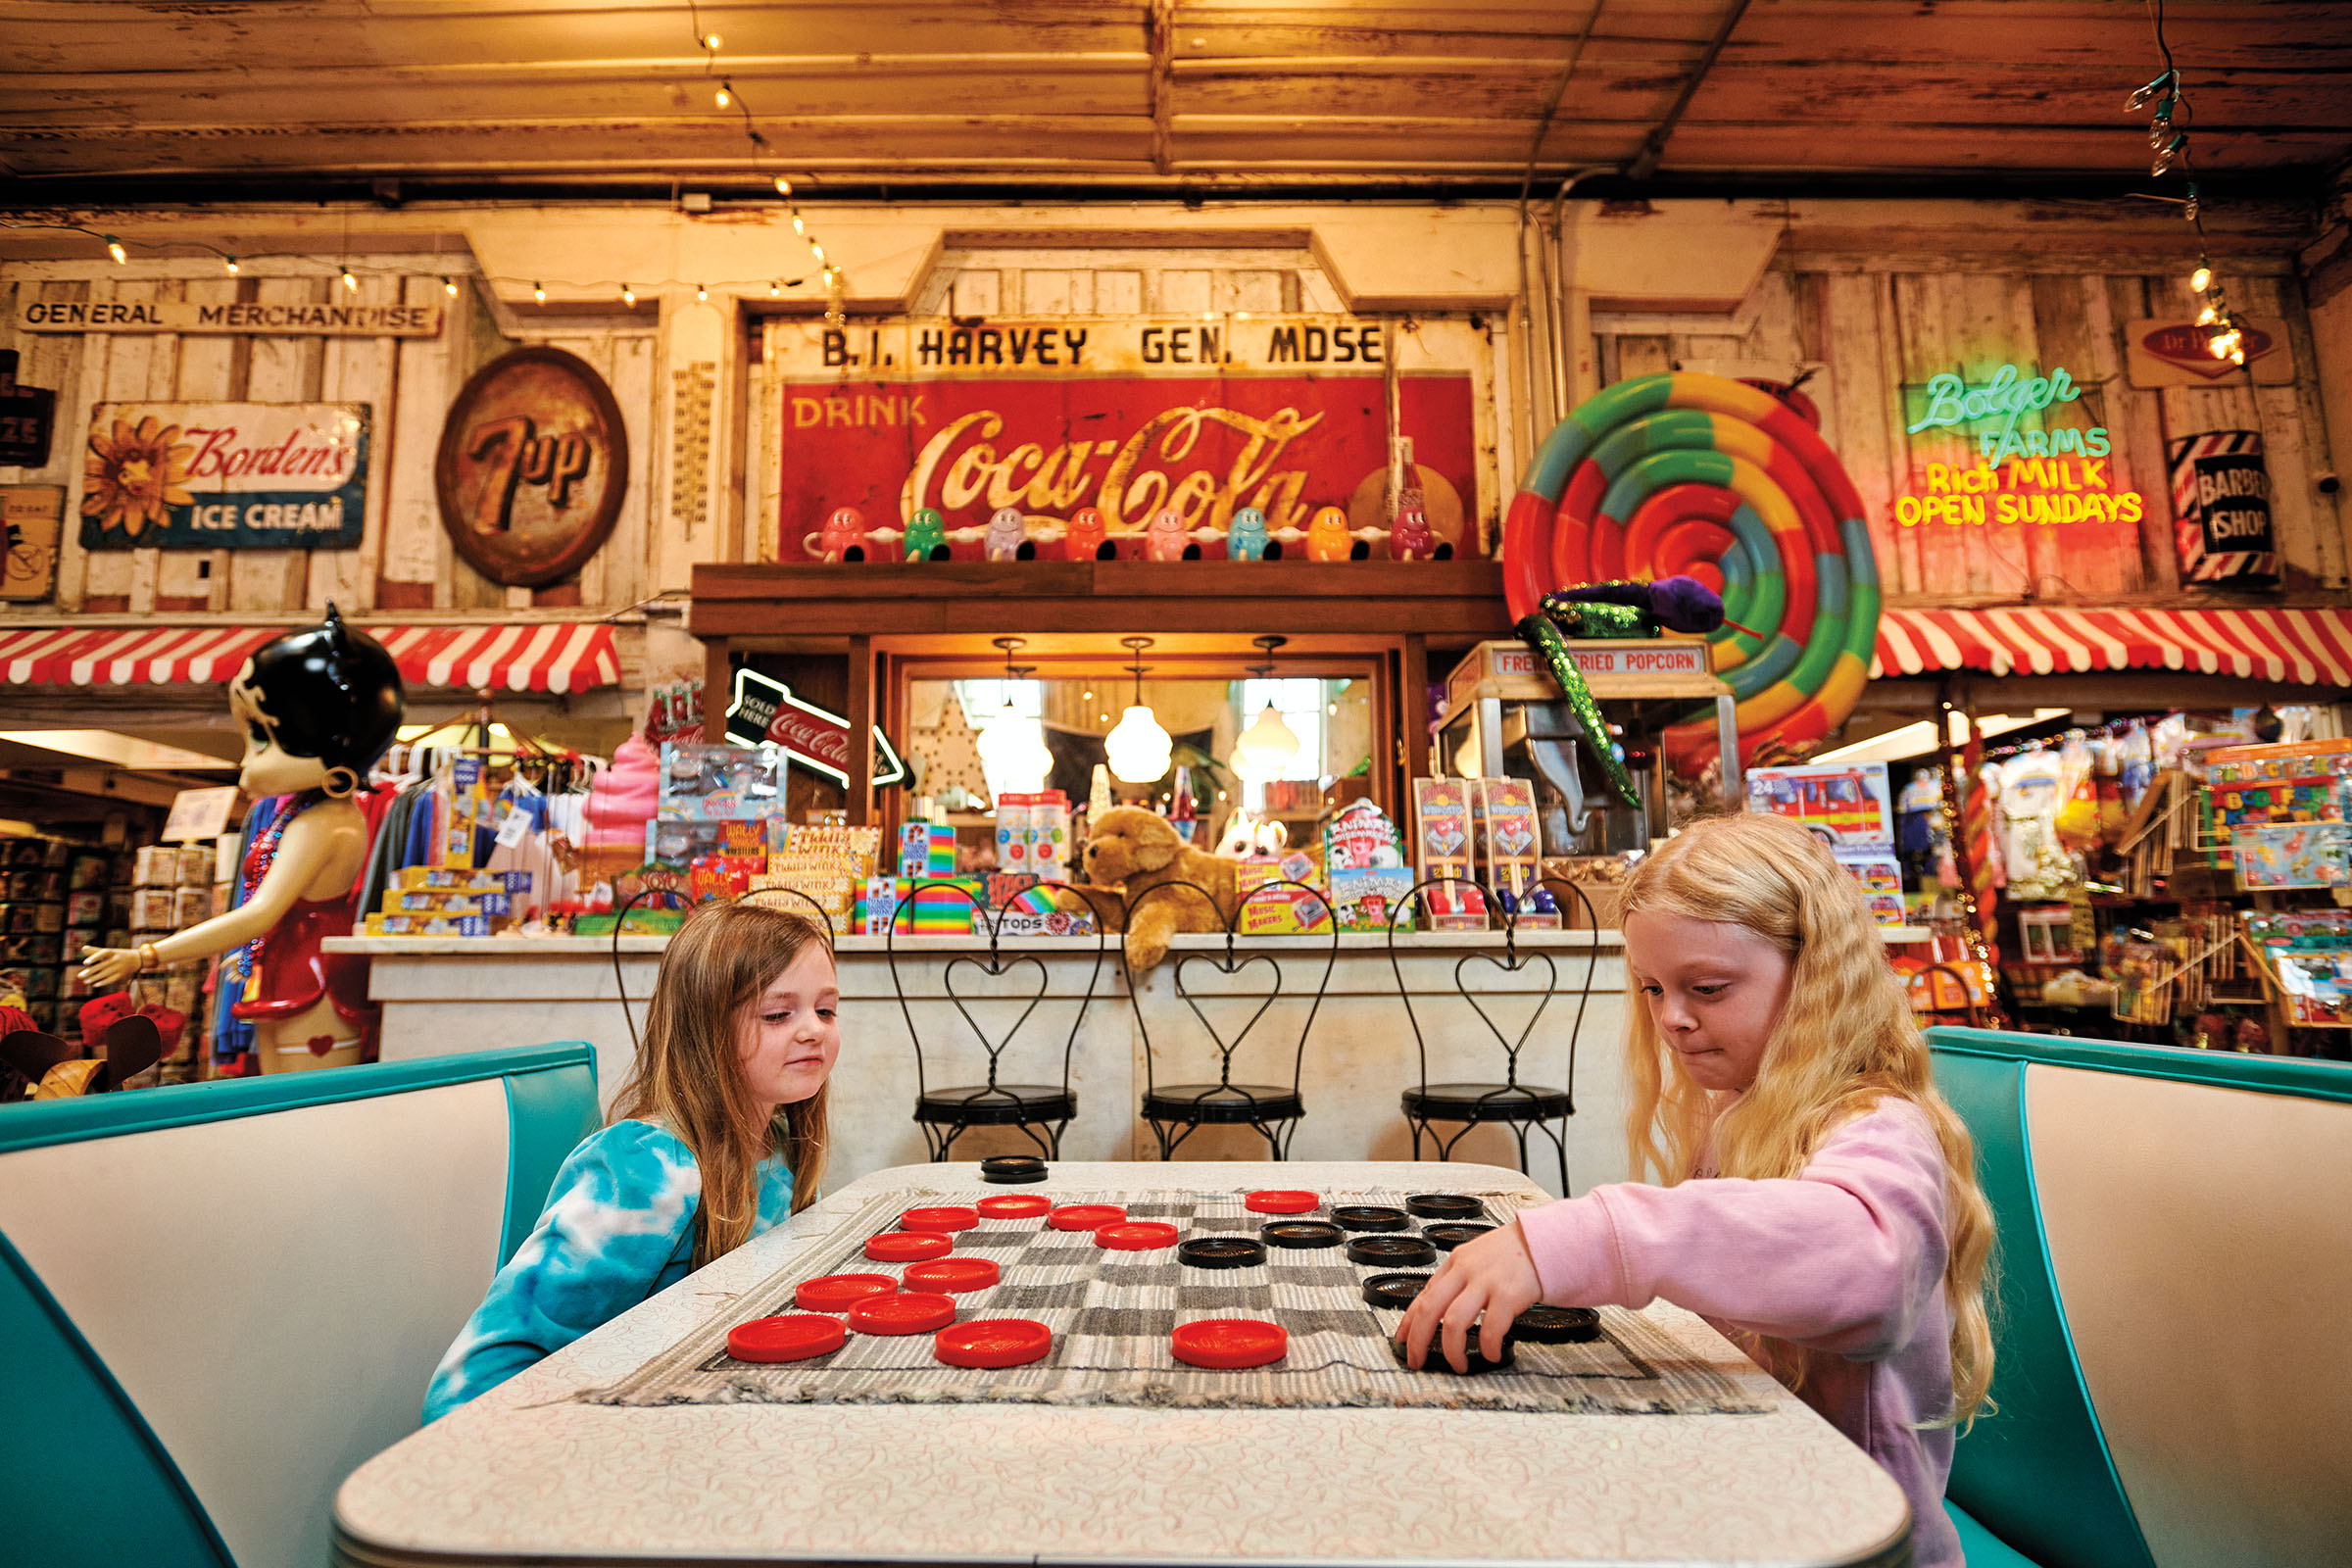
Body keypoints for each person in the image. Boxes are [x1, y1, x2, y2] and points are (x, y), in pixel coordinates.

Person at [1397, 811, 1993, 1568]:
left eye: (1707, 987)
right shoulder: (1739, 1109)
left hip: (1855, 1537)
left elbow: (1867, 1268)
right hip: (1747, 1493)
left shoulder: (1879, 1126)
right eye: (1652, 988)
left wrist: (1585, 1239)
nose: (1672, 1019)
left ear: (1817, 979)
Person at [422, 902, 838, 1422]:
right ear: (703, 1031)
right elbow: (477, 1381)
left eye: (825, 1010)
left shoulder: (783, 1148)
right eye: (778, 1014)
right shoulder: (645, 1168)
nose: (814, 1030)